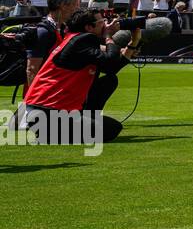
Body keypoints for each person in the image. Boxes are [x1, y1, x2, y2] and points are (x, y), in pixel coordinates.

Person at [22, 8, 143, 144]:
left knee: (109, 80)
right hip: (47, 111)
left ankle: (74, 124)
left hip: (43, 110)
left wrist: (133, 43)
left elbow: (112, 68)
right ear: (88, 27)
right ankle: (51, 134)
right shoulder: (83, 40)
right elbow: (110, 60)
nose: (105, 24)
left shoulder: (77, 38)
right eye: (101, 22)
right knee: (112, 129)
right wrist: (108, 37)